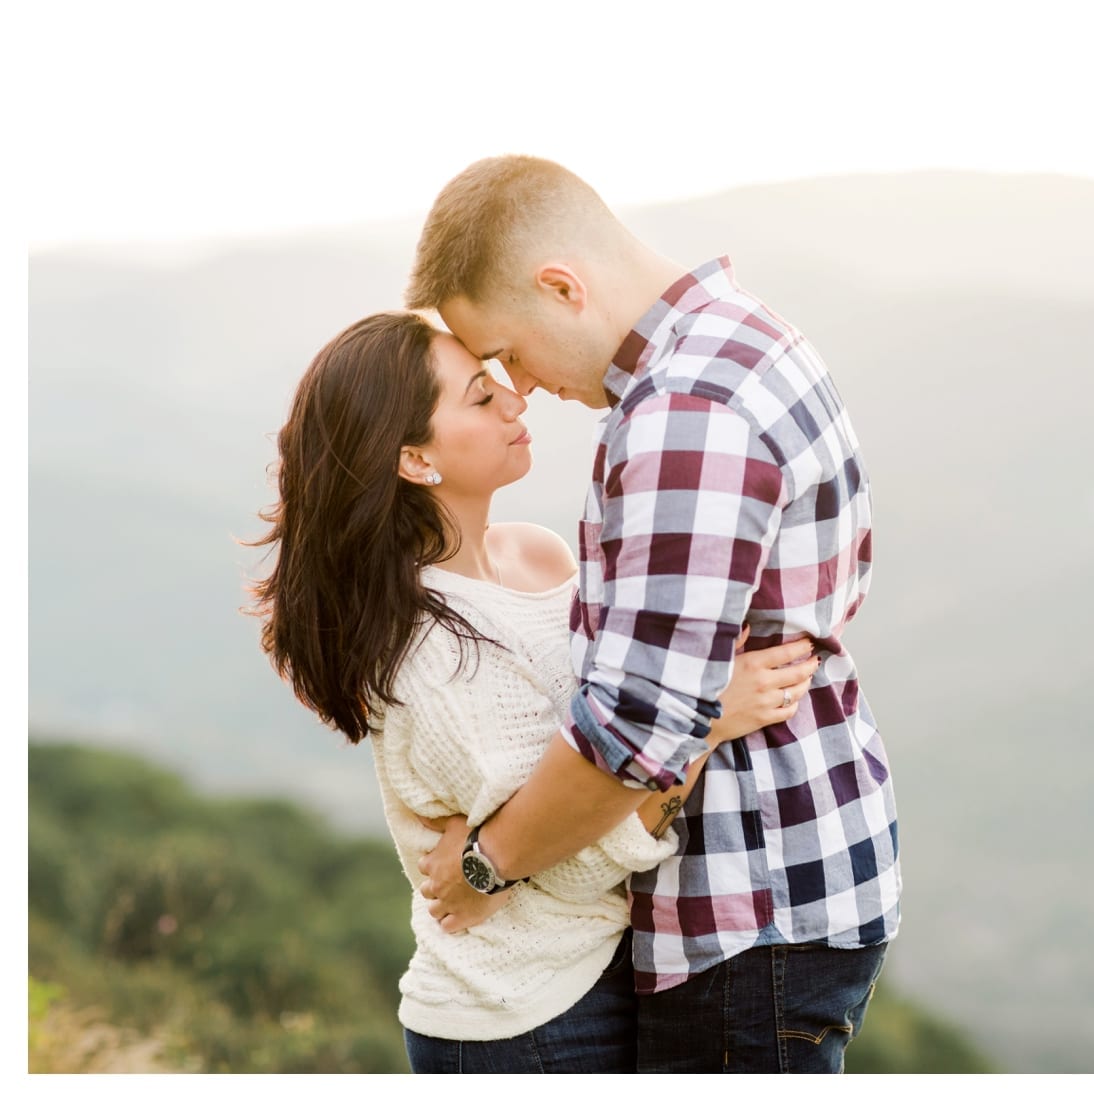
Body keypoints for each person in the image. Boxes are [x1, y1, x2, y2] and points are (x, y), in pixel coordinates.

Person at [406, 155, 902, 1074]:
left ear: (561, 287)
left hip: (744, 902)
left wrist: (486, 865)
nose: (522, 385)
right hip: (794, 870)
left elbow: (640, 725)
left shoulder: (686, 410)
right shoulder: (743, 335)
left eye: (510, 351)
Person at [249, 310, 817, 1072]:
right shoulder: (430, 650)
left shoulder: (536, 555)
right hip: (521, 1019)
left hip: (596, 971)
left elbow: (604, 737)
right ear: (415, 460)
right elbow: (575, 856)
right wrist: (709, 720)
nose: (517, 402)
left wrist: (492, 855)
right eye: (482, 400)